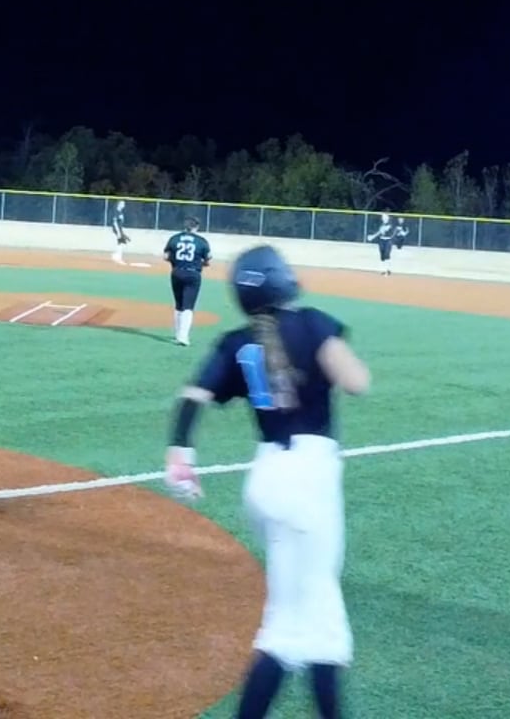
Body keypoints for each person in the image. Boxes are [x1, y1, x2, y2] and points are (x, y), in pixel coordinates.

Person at [163, 245, 369, 719]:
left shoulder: (236, 342)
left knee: (302, 619)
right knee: (311, 623)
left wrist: (180, 450)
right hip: (309, 478)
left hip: (267, 479)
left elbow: (193, 395)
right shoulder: (312, 323)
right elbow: (356, 381)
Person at [162, 217, 212, 347]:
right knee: (188, 306)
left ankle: (177, 333)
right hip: (193, 274)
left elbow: (166, 256)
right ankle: (183, 337)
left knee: (179, 304)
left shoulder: (174, 238)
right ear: (196, 227)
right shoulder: (201, 241)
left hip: (177, 272)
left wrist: (176, 261)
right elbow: (208, 259)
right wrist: (201, 263)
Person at [109, 199, 130, 265]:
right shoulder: (116, 212)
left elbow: (120, 223)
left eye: (124, 204)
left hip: (120, 230)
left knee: (121, 242)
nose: (124, 205)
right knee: (121, 242)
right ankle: (118, 258)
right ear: (119, 204)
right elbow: (115, 222)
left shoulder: (120, 212)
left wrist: (122, 232)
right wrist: (118, 232)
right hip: (117, 229)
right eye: (122, 204)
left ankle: (116, 256)